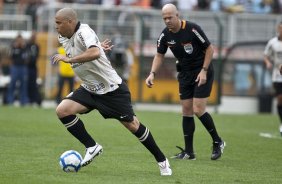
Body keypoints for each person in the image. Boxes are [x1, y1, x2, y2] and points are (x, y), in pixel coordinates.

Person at [52, 8, 172, 176]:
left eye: (58, 22)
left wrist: (70, 59)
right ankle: (92, 146)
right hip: (89, 88)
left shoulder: (84, 31)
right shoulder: (63, 37)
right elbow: (92, 49)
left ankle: (162, 160)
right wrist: (98, 47)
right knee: (62, 110)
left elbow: (93, 52)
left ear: (70, 22)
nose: (55, 26)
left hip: (112, 90)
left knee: (133, 126)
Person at [145, 3, 225, 160]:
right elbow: (159, 55)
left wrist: (204, 71)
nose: (167, 20)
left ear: (177, 15)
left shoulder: (192, 29)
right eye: (164, 18)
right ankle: (189, 152)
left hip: (202, 71)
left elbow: (209, 49)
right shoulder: (165, 35)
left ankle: (218, 141)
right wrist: (152, 73)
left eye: (170, 17)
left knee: (198, 108)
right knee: (187, 111)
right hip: (185, 74)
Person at [264, 21, 282, 136]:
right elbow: (266, 55)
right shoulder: (273, 42)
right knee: (280, 99)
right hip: (277, 75)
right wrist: (267, 63)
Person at [6, 34, 29, 106]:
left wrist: (23, 47)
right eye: (18, 40)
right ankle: (10, 101)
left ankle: (23, 101)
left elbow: (27, 58)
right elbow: (9, 57)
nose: (19, 41)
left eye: (20, 40)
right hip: (15, 67)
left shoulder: (24, 48)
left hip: (22, 67)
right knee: (12, 84)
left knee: (23, 85)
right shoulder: (13, 47)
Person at [26, 31, 42, 106]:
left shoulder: (37, 46)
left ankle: (34, 99)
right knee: (27, 83)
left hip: (33, 67)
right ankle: (27, 99)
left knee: (33, 84)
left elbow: (36, 56)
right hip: (27, 67)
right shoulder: (27, 45)